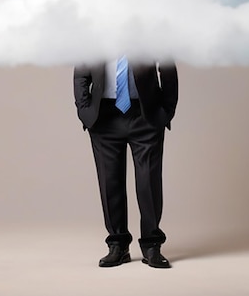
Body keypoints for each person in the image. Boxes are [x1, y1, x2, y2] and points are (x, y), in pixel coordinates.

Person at [73, 57, 178, 268]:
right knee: (109, 181)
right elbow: (80, 73)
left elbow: (167, 68)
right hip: (104, 115)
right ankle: (118, 245)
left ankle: (151, 245)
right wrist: (84, 109)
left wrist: (166, 111)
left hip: (145, 114)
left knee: (148, 181)